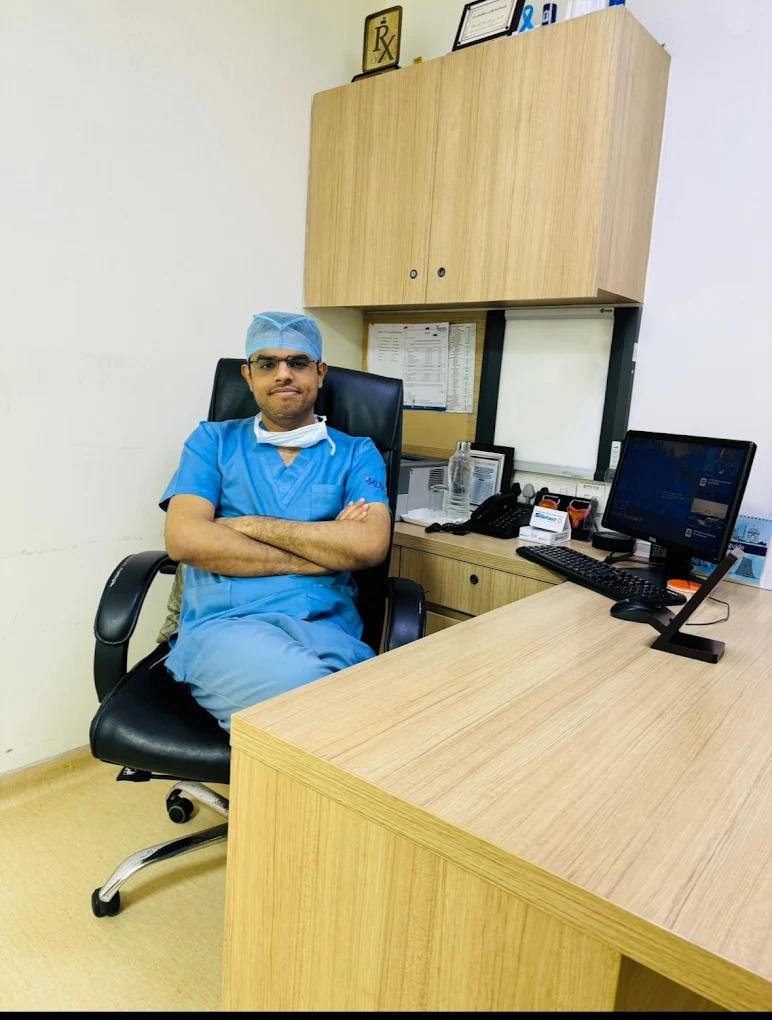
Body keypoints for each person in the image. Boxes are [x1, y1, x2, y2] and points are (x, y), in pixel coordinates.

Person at [160, 311, 391, 730]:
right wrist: (320, 555)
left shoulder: (357, 452)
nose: (283, 374)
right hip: (227, 625)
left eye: (298, 362)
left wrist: (245, 525)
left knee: (370, 711)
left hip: (328, 628)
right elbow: (185, 539)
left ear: (320, 373)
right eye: (267, 363)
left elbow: (369, 545)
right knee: (319, 706)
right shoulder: (211, 442)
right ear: (248, 376)